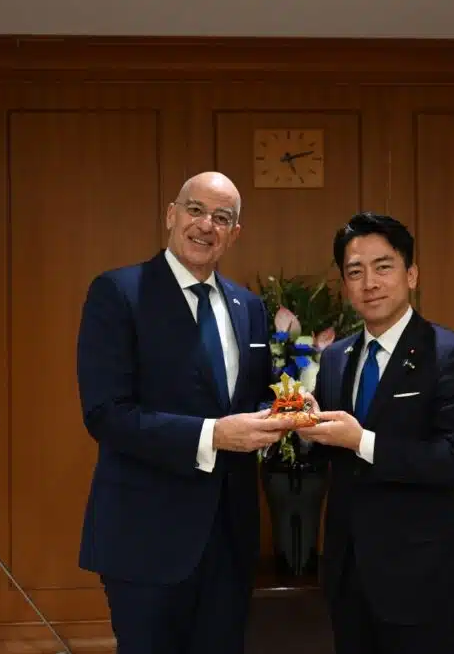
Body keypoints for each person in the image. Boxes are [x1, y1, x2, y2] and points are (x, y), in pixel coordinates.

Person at [75, 171, 298, 654]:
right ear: (171, 216)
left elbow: (253, 399)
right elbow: (106, 414)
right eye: (195, 210)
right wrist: (213, 435)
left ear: (234, 233)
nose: (206, 225)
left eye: (222, 217)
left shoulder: (249, 307)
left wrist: (288, 409)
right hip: (146, 538)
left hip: (231, 539)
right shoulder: (119, 293)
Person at [296, 212, 454, 654]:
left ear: (412, 274)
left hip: (421, 577)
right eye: (355, 272)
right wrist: (308, 432)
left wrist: (361, 441)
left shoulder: (453, 354)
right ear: (345, 285)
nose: (370, 283)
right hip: (347, 575)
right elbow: (334, 457)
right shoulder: (335, 358)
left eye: (383, 267)